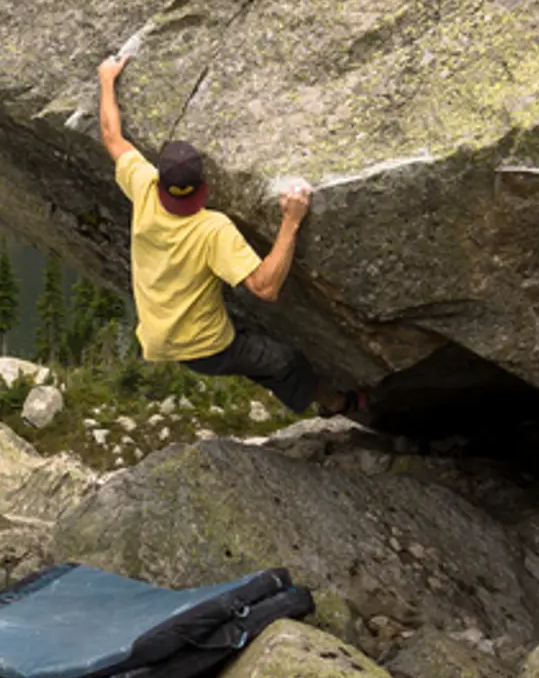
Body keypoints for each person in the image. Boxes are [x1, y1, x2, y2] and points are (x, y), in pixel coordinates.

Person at [96, 55, 363, 418]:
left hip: (159, 336)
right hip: (203, 346)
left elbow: (112, 136)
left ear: (162, 181)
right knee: (285, 361)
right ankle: (339, 404)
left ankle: (279, 383)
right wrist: (291, 221)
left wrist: (106, 79)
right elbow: (265, 288)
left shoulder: (144, 188)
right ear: (201, 186)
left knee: (252, 342)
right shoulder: (212, 229)